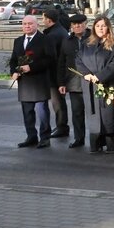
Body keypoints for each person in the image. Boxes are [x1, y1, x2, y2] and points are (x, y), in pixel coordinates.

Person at [76, 17, 114, 153]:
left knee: (109, 115)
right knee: (94, 115)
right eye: (97, 26)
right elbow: (78, 60)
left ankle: (111, 143)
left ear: (108, 27)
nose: (100, 28)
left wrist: (99, 76)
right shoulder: (87, 43)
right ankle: (96, 143)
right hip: (90, 85)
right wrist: (86, 74)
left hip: (108, 84)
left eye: (103, 26)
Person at [10, 16, 54, 149]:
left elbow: (50, 59)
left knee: (42, 112)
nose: (27, 26)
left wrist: (32, 67)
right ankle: (31, 136)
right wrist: (14, 71)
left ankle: (45, 138)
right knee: (27, 112)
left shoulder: (45, 39)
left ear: (36, 25)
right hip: (24, 83)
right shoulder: (18, 41)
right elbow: (13, 60)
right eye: (24, 24)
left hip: (39, 81)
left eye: (30, 24)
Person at [58, 14, 91, 148]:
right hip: (74, 82)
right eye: (74, 24)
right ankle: (79, 138)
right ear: (71, 26)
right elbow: (62, 62)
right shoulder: (67, 40)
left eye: (80, 23)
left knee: (94, 112)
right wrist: (61, 82)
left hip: (91, 81)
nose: (77, 26)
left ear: (86, 24)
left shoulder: (93, 38)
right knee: (77, 112)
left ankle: (98, 138)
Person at [42, 10, 70, 139]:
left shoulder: (52, 35)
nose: (42, 21)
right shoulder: (61, 31)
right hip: (60, 72)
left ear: (49, 20)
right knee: (59, 101)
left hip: (54, 74)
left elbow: (51, 57)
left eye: (43, 19)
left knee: (57, 102)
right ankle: (61, 125)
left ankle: (62, 126)